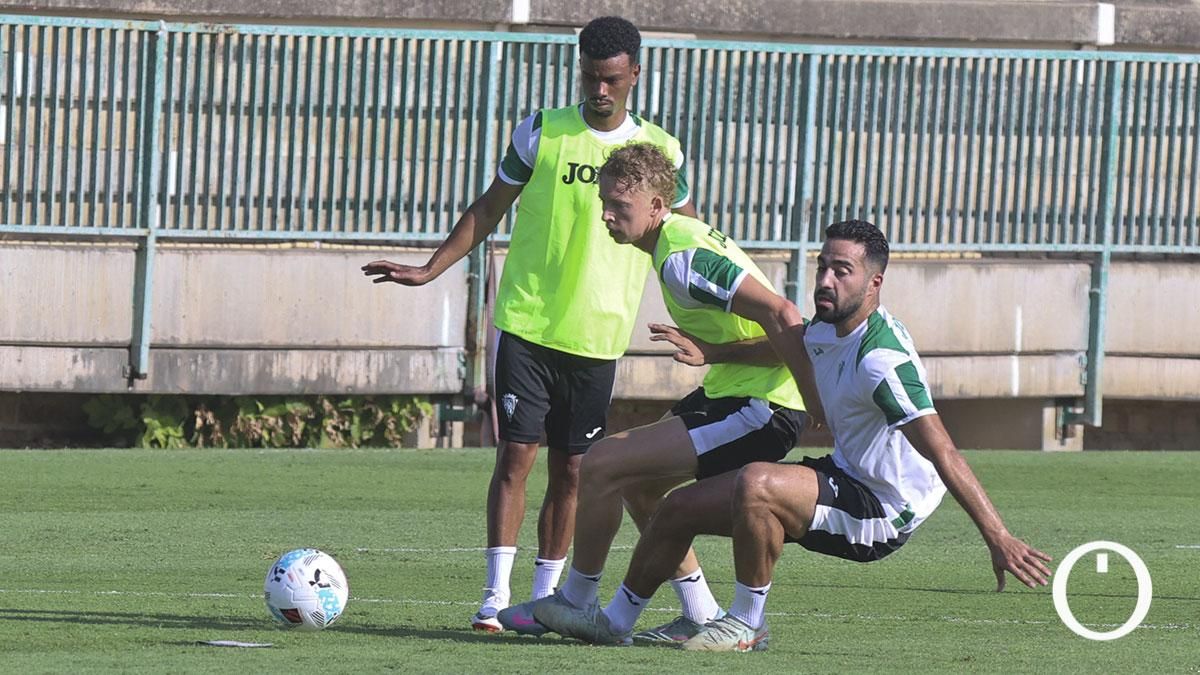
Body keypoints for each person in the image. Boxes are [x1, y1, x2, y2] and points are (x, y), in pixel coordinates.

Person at [533, 220, 1053, 651]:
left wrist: (997, 535)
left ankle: (746, 624)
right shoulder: (830, 325)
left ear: (874, 283)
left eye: (841, 271)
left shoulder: (881, 361)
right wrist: (713, 353)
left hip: (885, 509)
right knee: (676, 508)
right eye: (823, 265)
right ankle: (615, 623)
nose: (825, 279)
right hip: (846, 476)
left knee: (757, 483)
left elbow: (941, 448)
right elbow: (790, 341)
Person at [361, 17, 697, 632]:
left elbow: (686, 241)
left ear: (635, 77)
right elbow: (489, 206)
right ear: (579, 71)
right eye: (591, 77)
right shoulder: (543, 131)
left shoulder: (660, 153)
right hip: (528, 321)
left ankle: (547, 597)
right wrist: (430, 269)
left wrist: (707, 329)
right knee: (515, 455)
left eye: (612, 80)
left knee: (574, 470)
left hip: (598, 335)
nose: (600, 91)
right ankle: (493, 595)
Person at [497, 142, 822, 643]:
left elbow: (785, 317)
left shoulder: (682, 257)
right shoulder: (676, 243)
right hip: (733, 392)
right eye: (604, 201)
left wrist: (814, 400)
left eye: (619, 207)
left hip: (764, 406)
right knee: (639, 484)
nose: (606, 215)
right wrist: (715, 354)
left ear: (655, 207)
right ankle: (698, 611)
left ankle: (578, 601)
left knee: (603, 462)